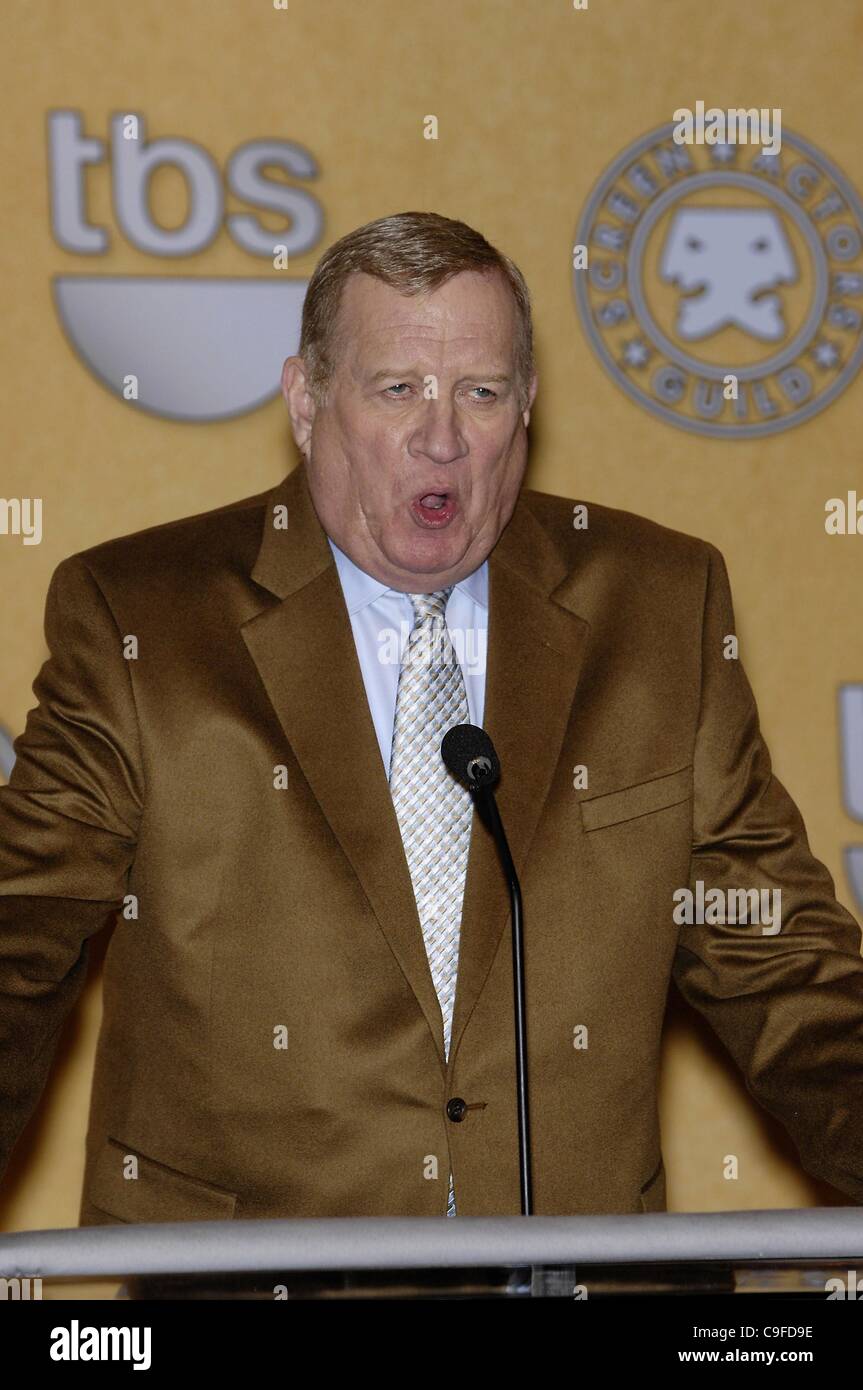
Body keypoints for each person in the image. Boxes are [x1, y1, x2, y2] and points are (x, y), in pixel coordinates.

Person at [0, 211, 861, 1228]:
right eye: (396, 388)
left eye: (480, 393)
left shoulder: (658, 607)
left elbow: (775, 958)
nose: (442, 436)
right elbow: (18, 935)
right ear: (307, 400)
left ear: (528, 408)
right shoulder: (142, 616)